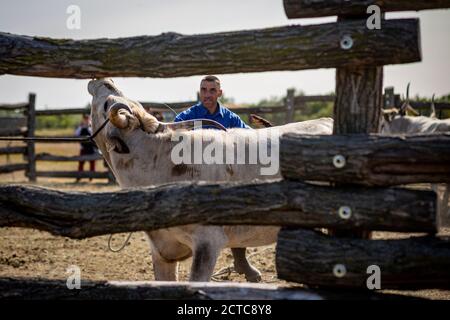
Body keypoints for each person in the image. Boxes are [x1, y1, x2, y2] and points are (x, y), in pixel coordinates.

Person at [174, 75, 250, 129]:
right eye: (203, 90)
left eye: (212, 90)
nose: (207, 95)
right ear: (199, 92)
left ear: (219, 93)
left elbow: (249, 136)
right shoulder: (185, 118)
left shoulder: (231, 119)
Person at [74, 114, 97, 182]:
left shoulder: (91, 127)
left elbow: (93, 134)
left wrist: (88, 127)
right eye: (85, 119)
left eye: (87, 119)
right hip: (83, 148)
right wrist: (82, 127)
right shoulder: (80, 128)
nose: (86, 120)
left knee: (92, 163)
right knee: (81, 163)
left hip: (91, 148)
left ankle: (91, 177)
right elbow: (76, 134)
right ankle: (79, 176)